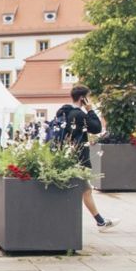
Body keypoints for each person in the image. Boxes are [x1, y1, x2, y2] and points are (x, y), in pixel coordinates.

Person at [55, 84, 119, 230]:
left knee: (84, 189)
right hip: (77, 158)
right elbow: (97, 128)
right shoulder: (79, 114)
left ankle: (100, 220)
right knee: (85, 190)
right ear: (83, 98)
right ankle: (100, 222)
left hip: (66, 155)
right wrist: (90, 110)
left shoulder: (64, 112)